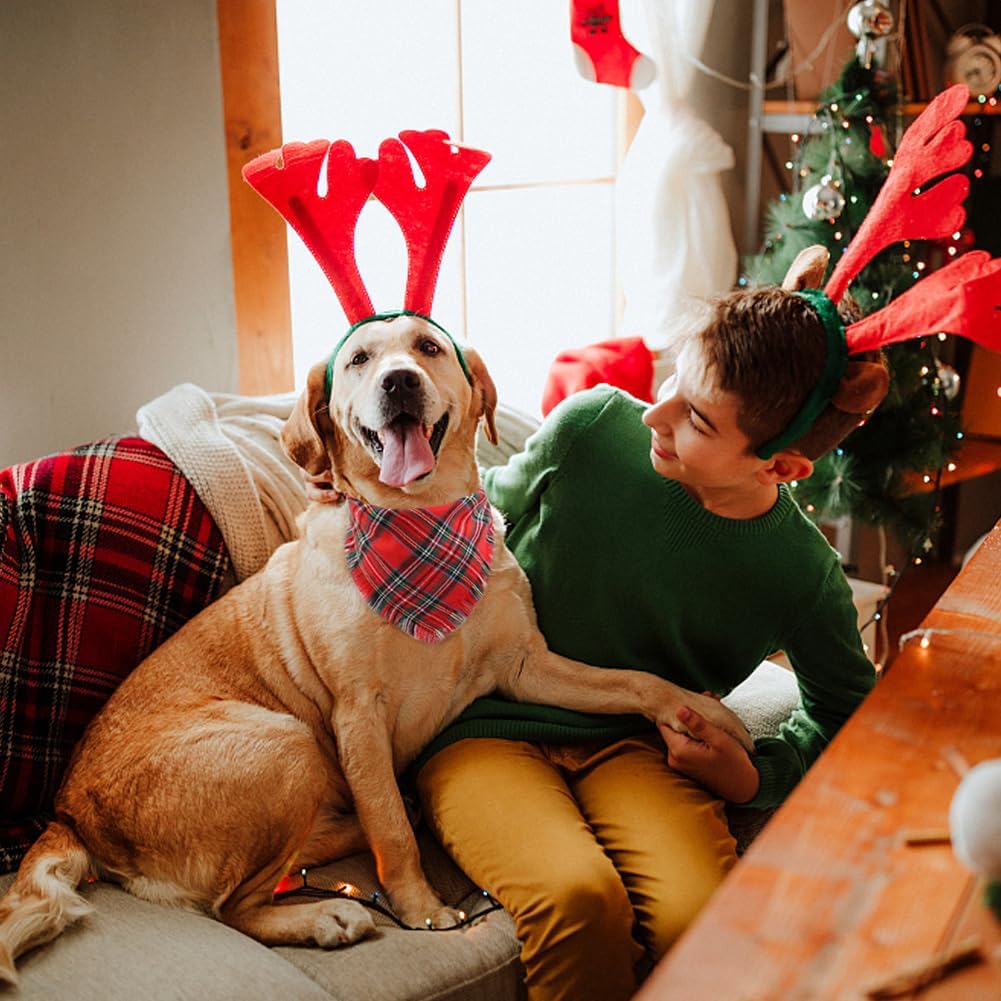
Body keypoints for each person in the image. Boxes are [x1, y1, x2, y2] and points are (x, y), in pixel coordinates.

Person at [411, 265, 884, 1001]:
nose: (653, 415)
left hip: (634, 744)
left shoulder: (802, 574)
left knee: (703, 920)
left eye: (696, 419)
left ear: (782, 466)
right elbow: (478, 515)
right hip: (484, 719)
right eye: (671, 383)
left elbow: (851, 713)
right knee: (578, 900)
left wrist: (754, 775)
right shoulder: (592, 427)